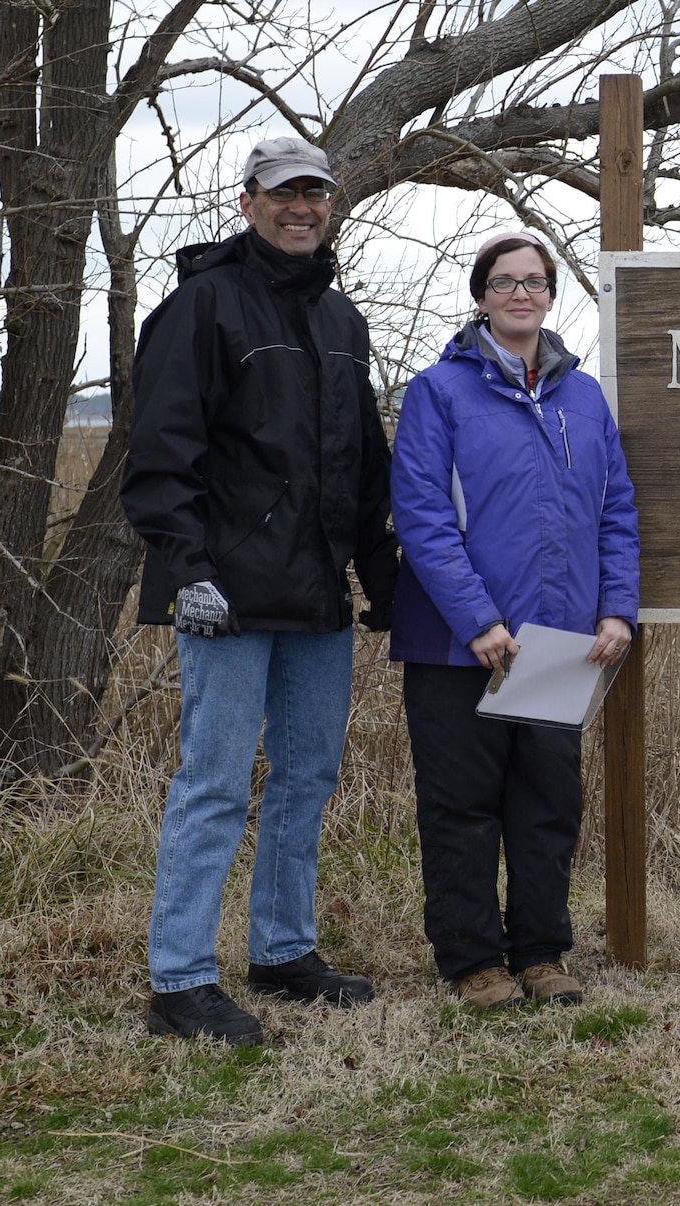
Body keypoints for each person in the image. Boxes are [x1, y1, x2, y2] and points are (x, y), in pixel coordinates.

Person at [124, 136, 397, 1045]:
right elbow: (162, 456)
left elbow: (364, 472)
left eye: (315, 193)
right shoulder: (201, 307)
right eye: (284, 193)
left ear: (330, 206)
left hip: (317, 599)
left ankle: (282, 950)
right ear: (248, 202)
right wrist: (188, 571)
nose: (301, 207)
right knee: (213, 785)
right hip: (228, 603)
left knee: (306, 780)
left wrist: (385, 582)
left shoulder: (342, 323)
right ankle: (181, 982)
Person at [390, 231, 639, 1009]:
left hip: (558, 645)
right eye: (504, 283)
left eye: (534, 282)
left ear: (551, 295)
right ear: (481, 296)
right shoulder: (439, 392)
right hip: (461, 647)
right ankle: (475, 964)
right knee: (462, 809)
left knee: (545, 807)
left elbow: (617, 511)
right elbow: (423, 517)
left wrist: (617, 608)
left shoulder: (585, 397)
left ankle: (540, 954)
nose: (520, 295)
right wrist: (478, 621)